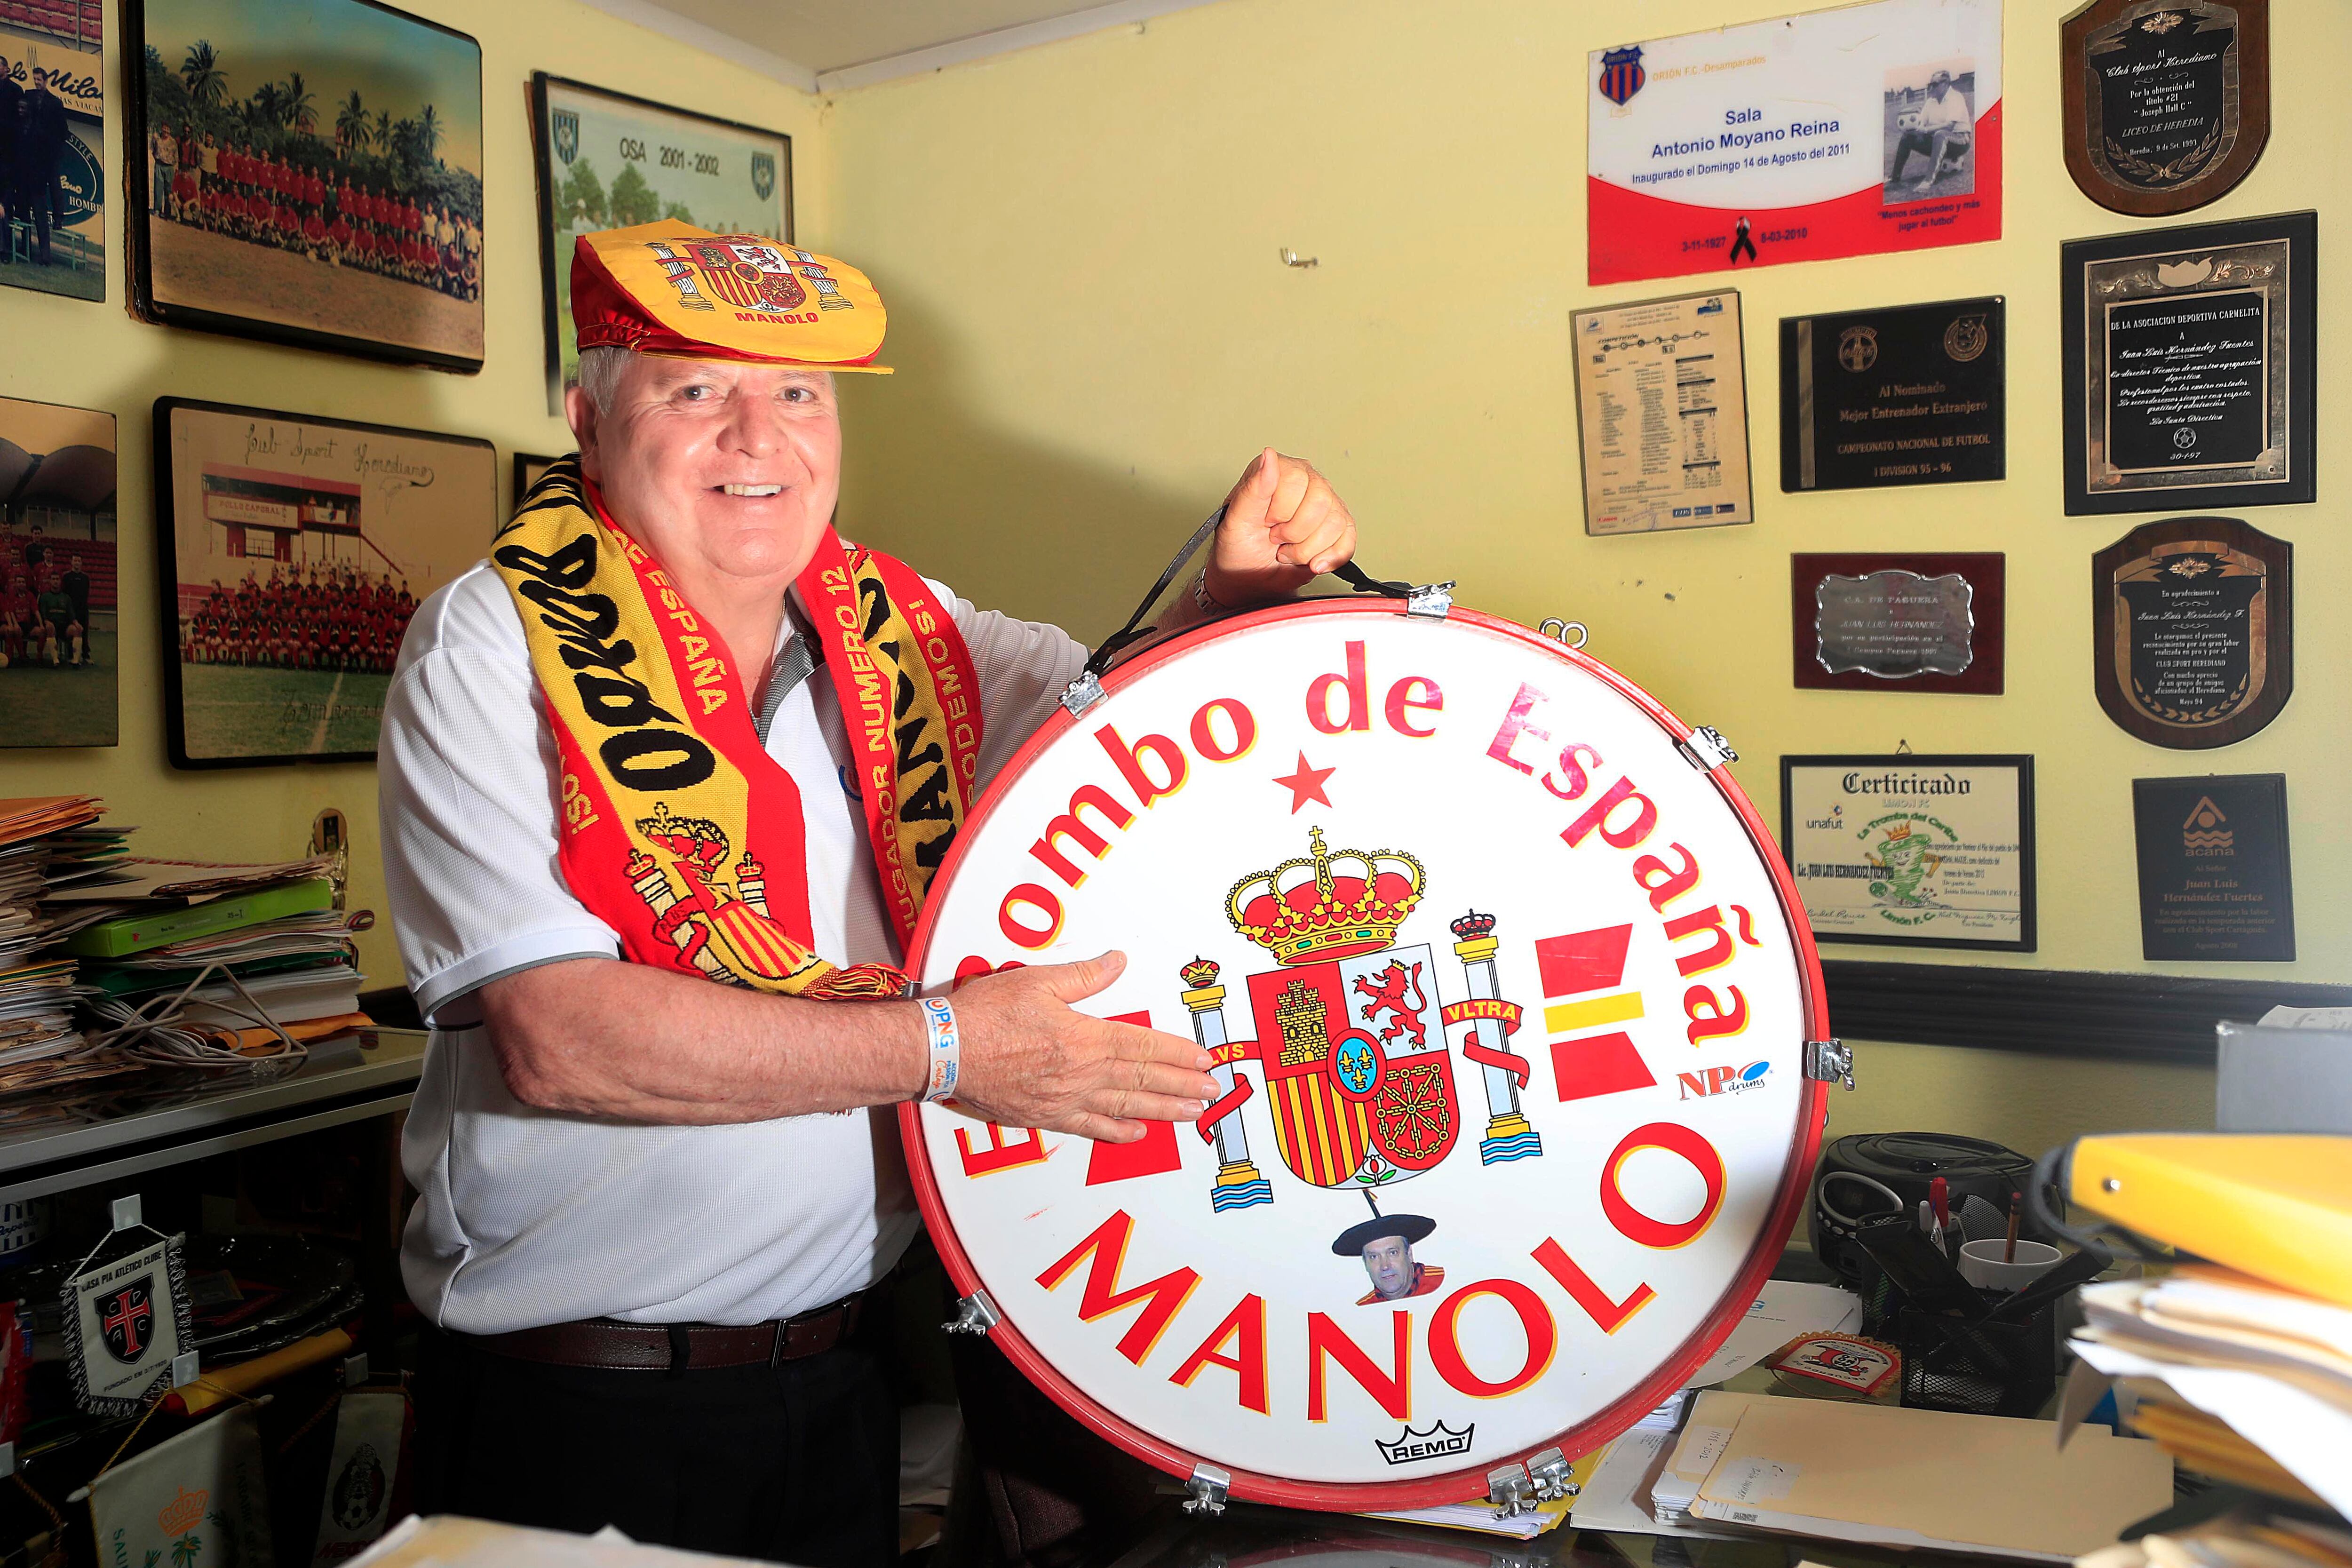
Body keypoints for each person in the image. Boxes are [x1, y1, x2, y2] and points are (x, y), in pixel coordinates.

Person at [377, 223, 1359, 1568]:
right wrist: (951, 1049)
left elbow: (1126, 736)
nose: (758, 436)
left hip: (842, 1386)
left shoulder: (901, 629)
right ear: (588, 420)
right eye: (694, 389)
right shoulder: (491, 644)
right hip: (582, 1410)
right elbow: (563, 1041)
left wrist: (1236, 585)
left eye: (799, 391)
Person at [1333, 1209, 1445, 1303]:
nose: (1385, 1266)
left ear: (1409, 1254)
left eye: (1393, 1253)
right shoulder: (1363, 1311)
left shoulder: (1445, 1286)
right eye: (1374, 1257)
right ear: (1365, 1264)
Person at [1891, 69, 1973, 193]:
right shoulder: (1930, 102)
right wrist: (1912, 129)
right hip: (1938, 141)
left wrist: (1926, 130)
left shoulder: (1956, 97)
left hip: (1961, 140)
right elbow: (1921, 123)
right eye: (1930, 85)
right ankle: (1895, 179)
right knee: (1907, 138)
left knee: (1941, 135)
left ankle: (1928, 181)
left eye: (1935, 85)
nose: (1931, 88)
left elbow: (1950, 126)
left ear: (1946, 84)